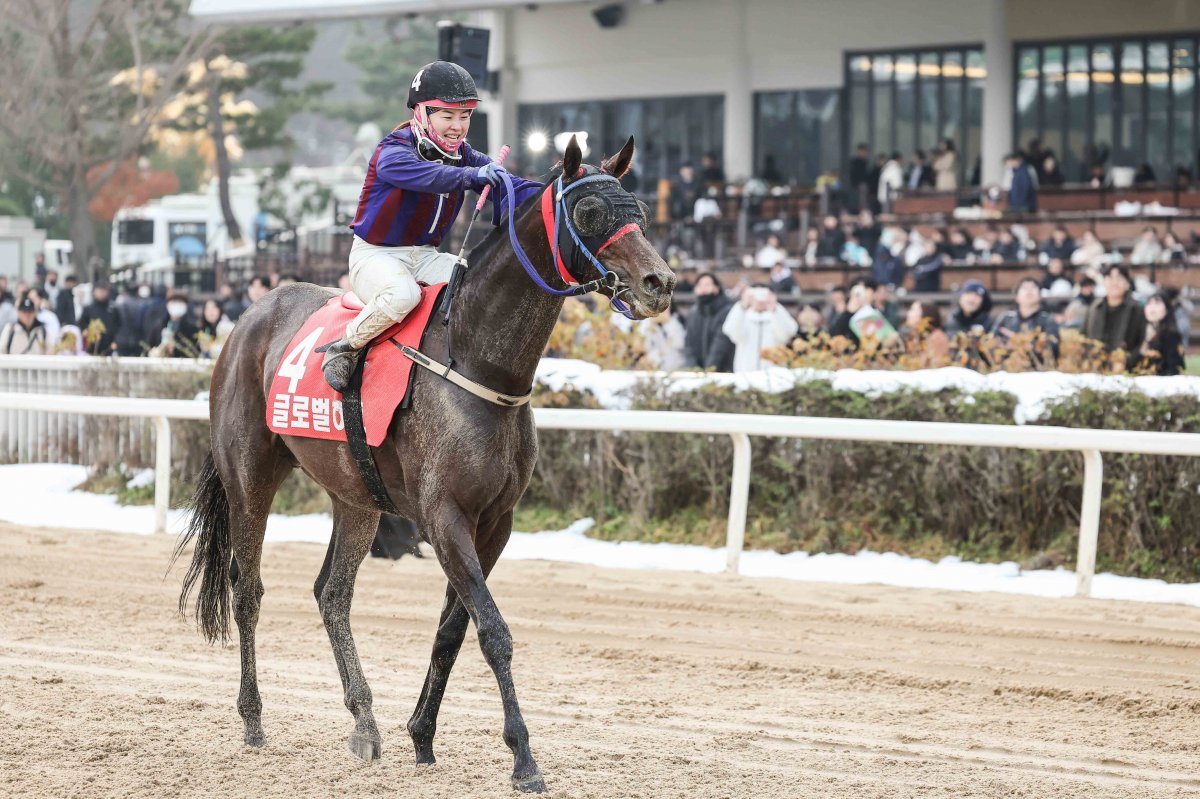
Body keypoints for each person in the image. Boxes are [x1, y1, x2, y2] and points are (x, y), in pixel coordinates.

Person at [321, 61, 543, 390]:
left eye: (465, 116)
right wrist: (472, 176)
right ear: (422, 113)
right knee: (403, 295)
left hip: (426, 257)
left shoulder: (467, 157)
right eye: (448, 116)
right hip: (375, 257)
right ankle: (344, 347)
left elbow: (516, 190)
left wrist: (561, 191)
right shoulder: (392, 151)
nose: (458, 126)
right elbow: (431, 176)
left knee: (482, 284)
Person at [721, 286, 798, 372]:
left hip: (774, 372)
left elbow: (788, 333)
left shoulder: (776, 315)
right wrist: (742, 305)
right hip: (746, 371)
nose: (760, 299)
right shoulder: (743, 316)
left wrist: (775, 307)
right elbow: (731, 331)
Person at [991, 277, 1061, 360]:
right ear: (1016, 297)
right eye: (1024, 288)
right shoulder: (1006, 318)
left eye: (1033, 287)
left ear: (1040, 296)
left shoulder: (1048, 320)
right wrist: (1005, 349)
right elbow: (992, 346)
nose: (1029, 291)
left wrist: (1020, 342)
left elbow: (1053, 350)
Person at [1084, 265, 1145, 355]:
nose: (1114, 283)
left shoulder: (1137, 309)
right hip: (1096, 360)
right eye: (1110, 278)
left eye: (1119, 278)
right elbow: (1085, 336)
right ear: (1104, 282)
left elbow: (1141, 342)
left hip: (1125, 361)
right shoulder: (1095, 307)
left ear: (1127, 284)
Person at [682, 272, 735, 372]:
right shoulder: (693, 312)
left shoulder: (727, 310)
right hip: (698, 371)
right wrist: (693, 367)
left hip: (722, 370)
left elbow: (721, 343)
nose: (703, 288)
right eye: (699, 285)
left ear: (716, 288)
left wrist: (710, 369)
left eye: (707, 284)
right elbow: (688, 343)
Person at [1139, 292, 1184, 375]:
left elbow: (1175, 368)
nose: (1152, 308)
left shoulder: (1171, 334)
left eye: (1157, 303)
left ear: (1166, 309)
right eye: (1149, 303)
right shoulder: (1140, 331)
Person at [902, 299, 949, 365]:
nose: (908, 313)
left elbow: (938, 365)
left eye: (913, 310)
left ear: (925, 313)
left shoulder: (937, 337)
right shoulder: (914, 336)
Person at [77, 282, 118, 355]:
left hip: (109, 349)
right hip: (90, 348)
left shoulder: (113, 308)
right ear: (94, 291)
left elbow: (119, 326)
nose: (102, 293)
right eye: (99, 290)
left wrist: (116, 342)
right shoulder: (88, 308)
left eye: (104, 290)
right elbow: (81, 325)